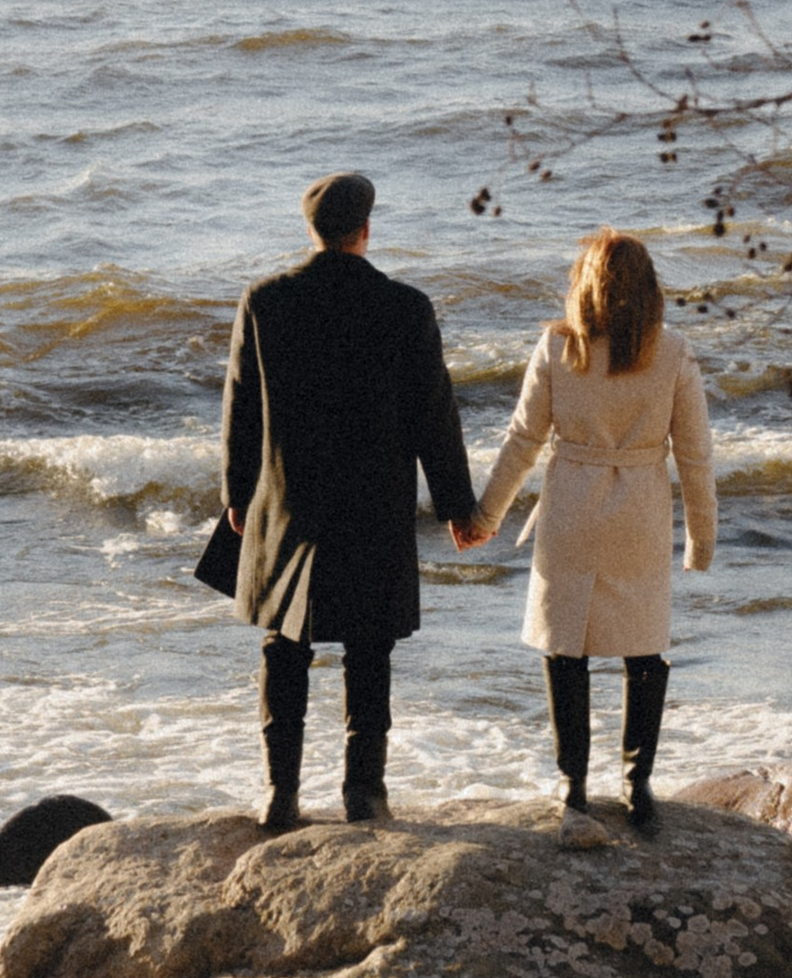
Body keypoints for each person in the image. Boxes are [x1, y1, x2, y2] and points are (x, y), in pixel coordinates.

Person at [220, 169, 481, 833]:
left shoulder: (264, 301)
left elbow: (240, 407)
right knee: (370, 648)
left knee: (286, 644)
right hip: (374, 500)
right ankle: (364, 792)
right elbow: (435, 414)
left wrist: (236, 493)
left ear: (310, 231)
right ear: (366, 230)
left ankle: (280, 795)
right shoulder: (405, 308)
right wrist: (456, 504)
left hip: (290, 501)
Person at [466, 226, 715, 832]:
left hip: (572, 504)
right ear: (650, 288)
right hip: (639, 511)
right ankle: (638, 784)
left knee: (565, 649)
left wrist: (485, 516)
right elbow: (695, 455)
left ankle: (572, 784)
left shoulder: (558, 347)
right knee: (644, 650)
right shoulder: (672, 351)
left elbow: (523, 441)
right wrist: (701, 540)